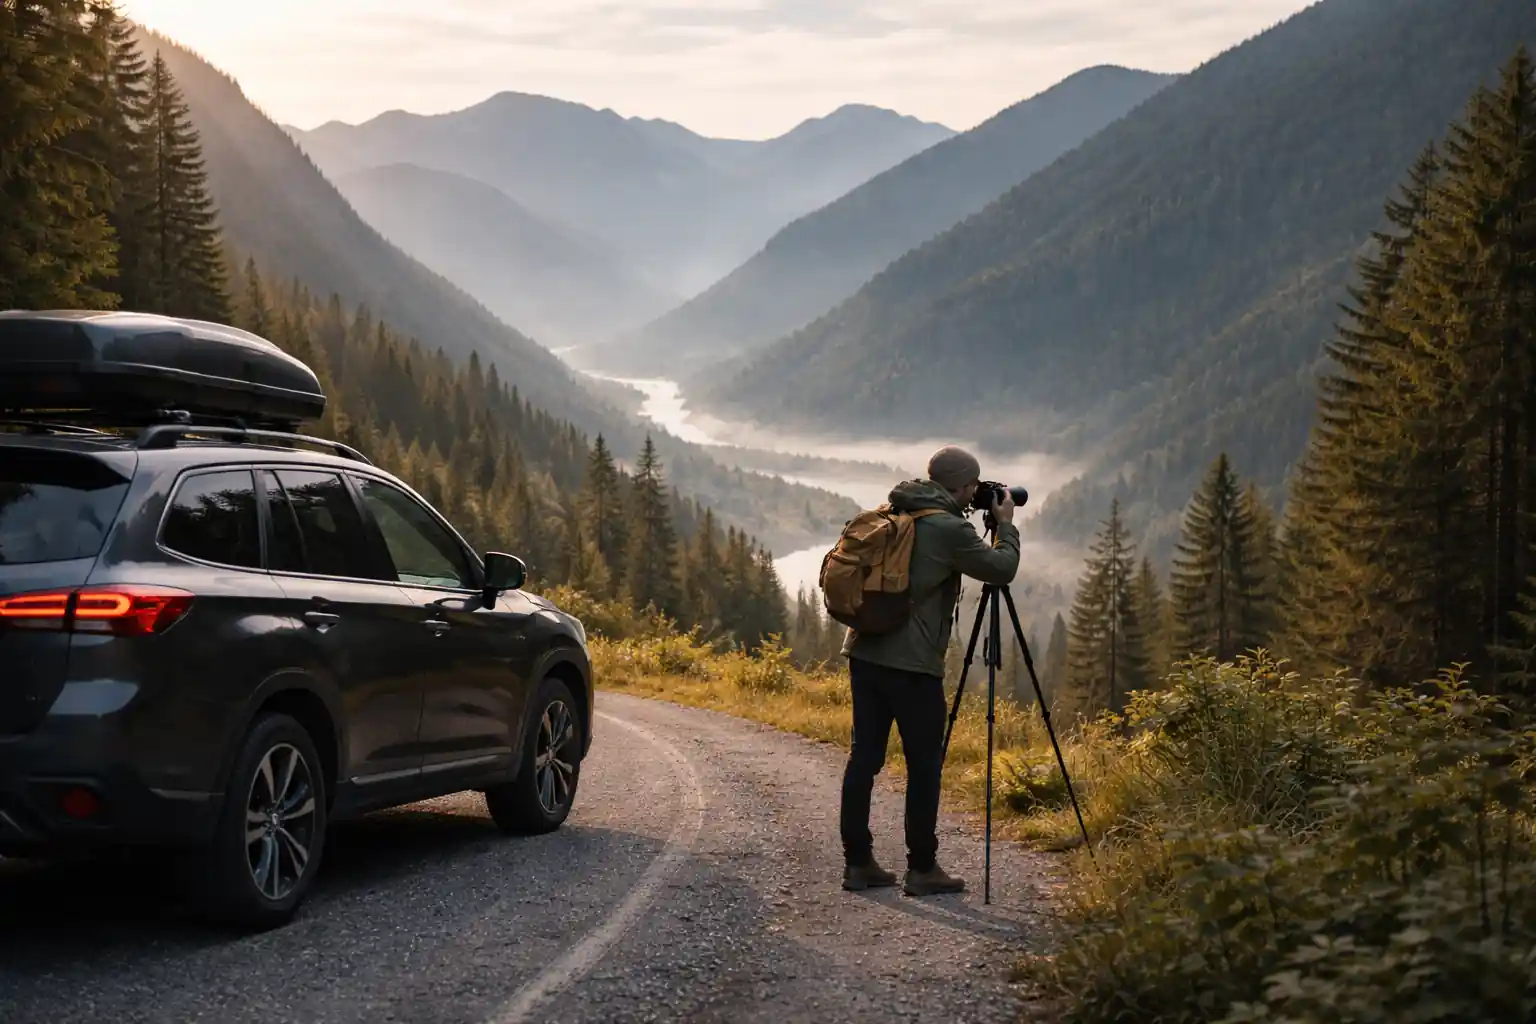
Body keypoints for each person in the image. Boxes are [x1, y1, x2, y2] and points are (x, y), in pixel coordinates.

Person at [838, 445, 1020, 897]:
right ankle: (922, 868)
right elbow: (1001, 570)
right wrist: (1007, 529)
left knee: (865, 758)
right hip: (912, 666)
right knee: (923, 766)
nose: (976, 495)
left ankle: (858, 864)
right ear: (960, 487)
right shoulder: (948, 528)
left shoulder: (899, 509)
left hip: (865, 653)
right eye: (974, 488)